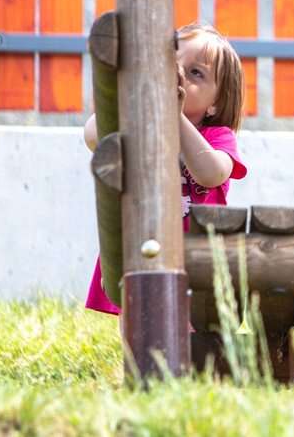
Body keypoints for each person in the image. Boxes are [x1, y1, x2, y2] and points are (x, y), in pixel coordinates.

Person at [83, 22, 249, 316]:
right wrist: (131, 92)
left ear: (215, 103)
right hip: (142, 254)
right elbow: (94, 137)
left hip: (197, 269)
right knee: (141, 341)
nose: (179, 74)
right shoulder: (140, 129)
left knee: (189, 346)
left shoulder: (217, 137)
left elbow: (211, 173)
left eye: (196, 72)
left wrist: (175, 115)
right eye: (171, 63)